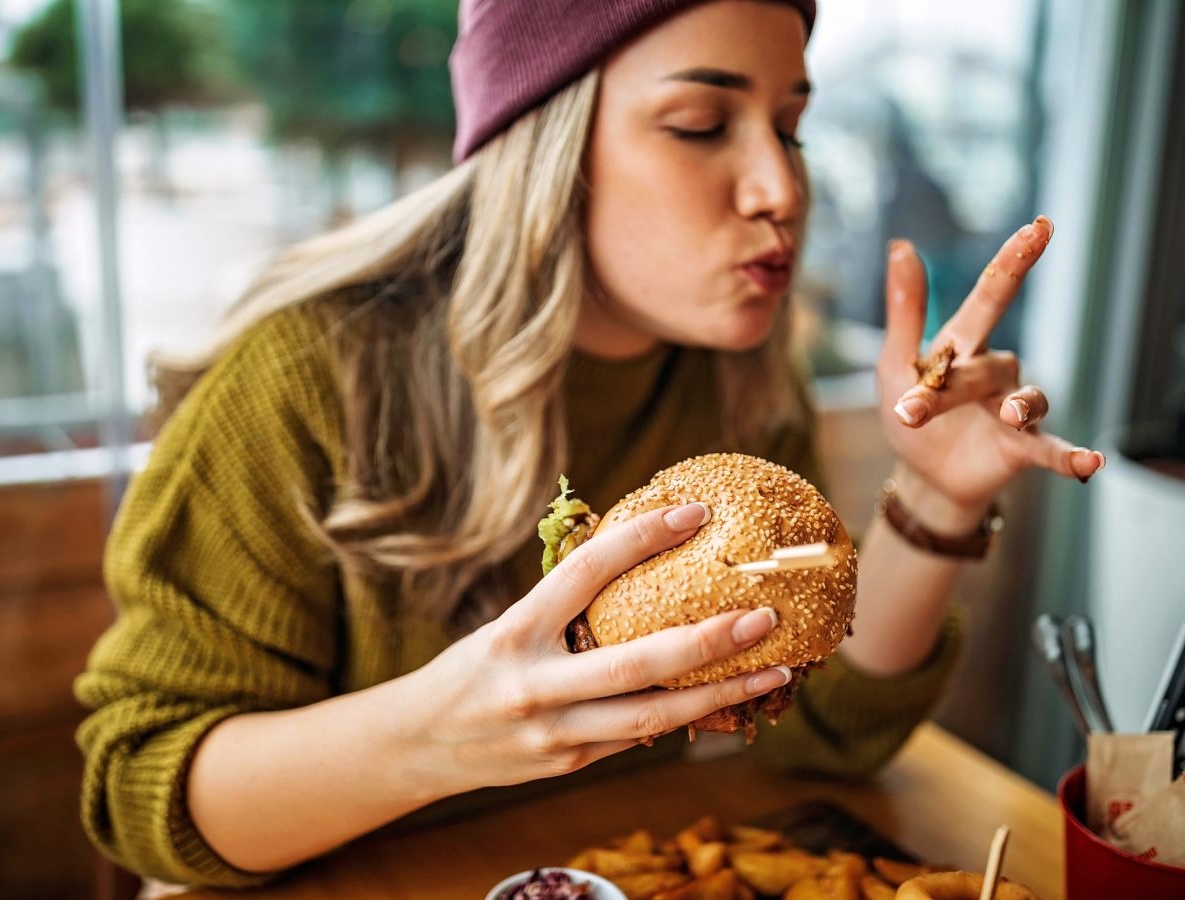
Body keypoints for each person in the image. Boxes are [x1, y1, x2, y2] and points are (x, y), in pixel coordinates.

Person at [75, 0, 1106, 889]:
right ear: (546, 145)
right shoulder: (307, 377)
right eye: (701, 124)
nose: (781, 190)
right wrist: (436, 736)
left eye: (790, 129)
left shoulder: (738, 380)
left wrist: (935, 502)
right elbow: (136, 787)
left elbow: (828, 731)